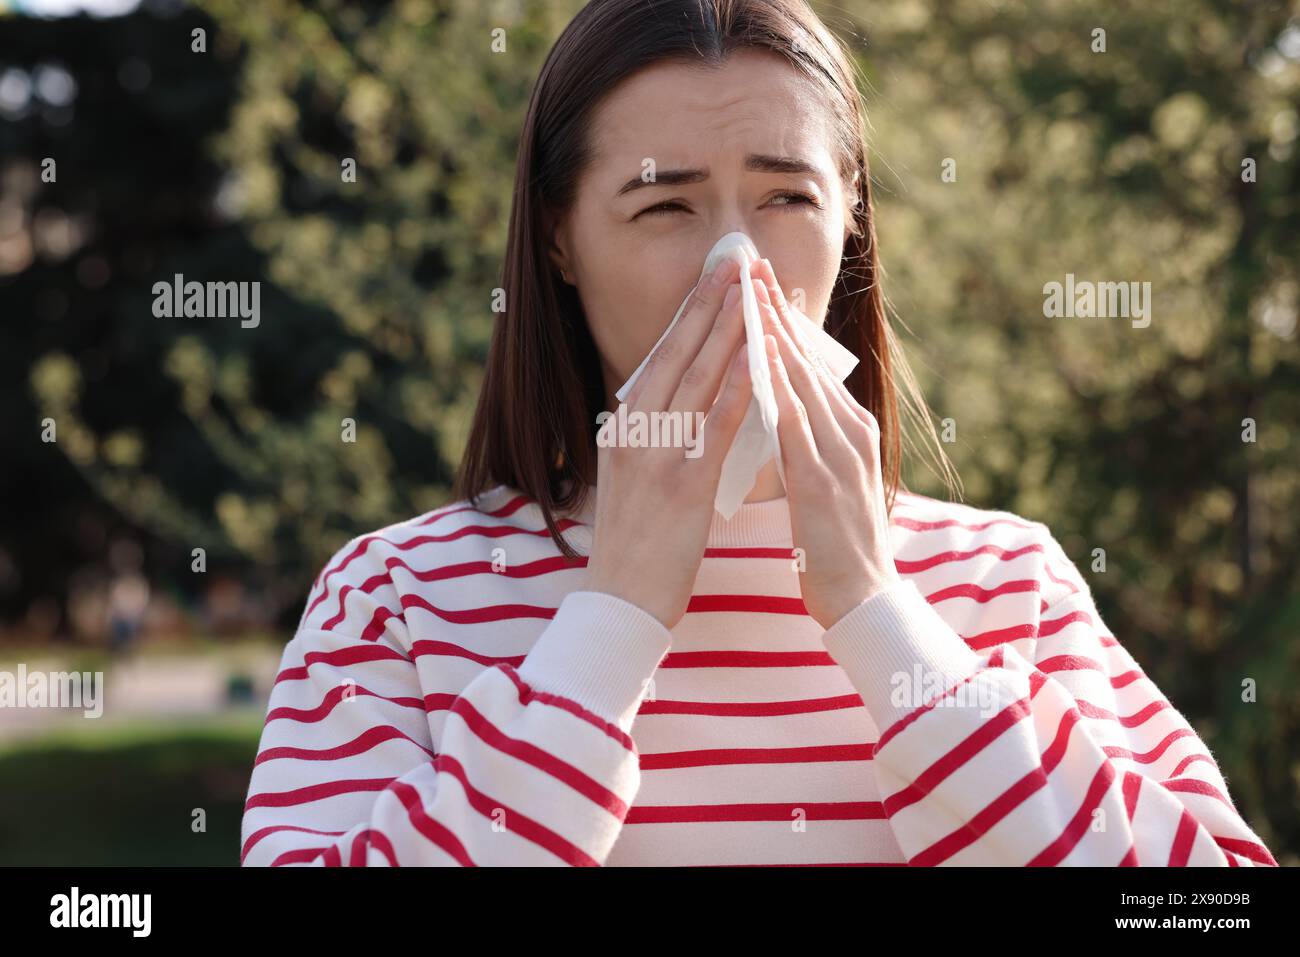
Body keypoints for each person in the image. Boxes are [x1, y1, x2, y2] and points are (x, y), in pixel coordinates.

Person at [240, 0, 1278, 866]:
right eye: (663, 208)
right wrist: (612, 619)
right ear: (559, 239)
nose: (735, 266)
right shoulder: (399, 598)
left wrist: (878, 616)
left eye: (786, 198)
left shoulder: (1006, 581)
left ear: (849, 220)